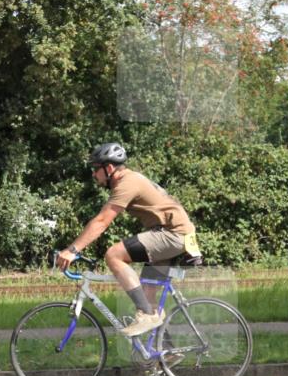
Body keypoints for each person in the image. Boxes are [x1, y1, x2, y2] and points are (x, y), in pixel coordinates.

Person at [56, 142, 201, 336]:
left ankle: (147, 315)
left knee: (114, 254)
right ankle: (162, 353)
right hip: (176, 233)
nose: (93, 174)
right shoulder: (132, 179)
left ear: (108, 168)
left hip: (173, 233)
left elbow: (101, 221)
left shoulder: (127, 183)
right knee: (147, 295)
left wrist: (72, 250)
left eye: (95, 169)